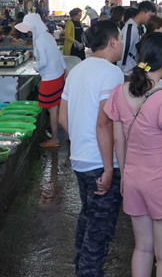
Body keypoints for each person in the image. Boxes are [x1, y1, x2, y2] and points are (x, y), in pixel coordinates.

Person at [104, 32, 162, 277]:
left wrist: (125, 176)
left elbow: (118, 141)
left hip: (133, 180)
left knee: (142, 250)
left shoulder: (120, 92)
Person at [58, 20, 126, 277]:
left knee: (88, 218)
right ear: (111, 42)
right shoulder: (112, 73)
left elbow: (63, 119)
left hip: (80, 160)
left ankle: (80, 268)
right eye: (119, 38)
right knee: (100, 232)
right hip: (100, 162)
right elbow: (104, 122)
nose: (121, 43)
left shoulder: (77, 70)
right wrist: (109, 168)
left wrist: (81, 145)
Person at [16, 13, 67, 148]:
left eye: (29, 27)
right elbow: (58, 54)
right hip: (58, 74)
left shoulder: (39, 40)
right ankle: (69, 135)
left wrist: (35, 66)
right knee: (58, 108)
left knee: (52, 109)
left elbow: (43, 62)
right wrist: (65, 70)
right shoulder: (47, 36)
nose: (28, 30)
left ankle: (55, 139)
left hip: (50, 78)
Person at [119, 0, 158, 77]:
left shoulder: (142, 27)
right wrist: (120, 70)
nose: (151, 20)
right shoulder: (130, 28)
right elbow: (124, 50)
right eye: (150, 16)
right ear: (142, 13)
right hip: (127, 71)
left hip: (135, 69)